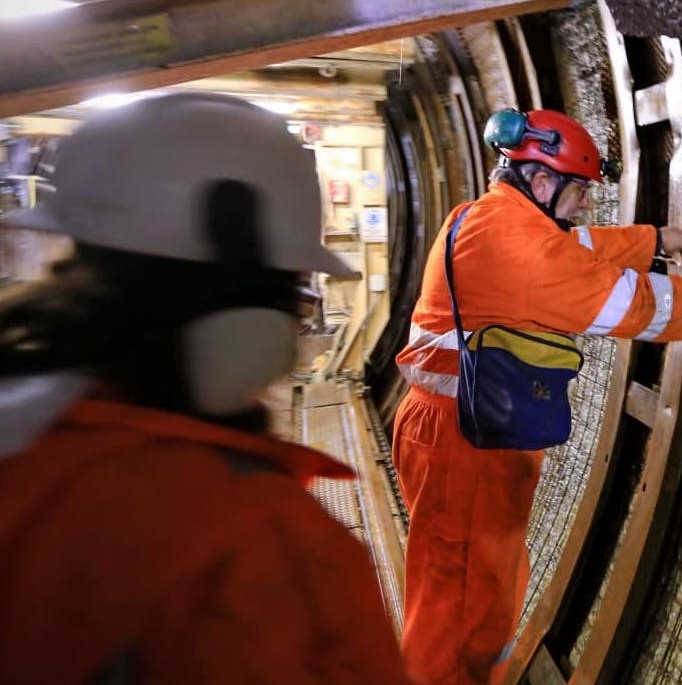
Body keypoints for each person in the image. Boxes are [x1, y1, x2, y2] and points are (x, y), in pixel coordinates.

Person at [0, 93, 409, 684]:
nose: (297, 318)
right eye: (291, 288)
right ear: (240, 313)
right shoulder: (260, 547)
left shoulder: (29, 441)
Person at [392, 107, 682, 684]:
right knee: (455, 617)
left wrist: (651, 239)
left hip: (456, 431)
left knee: (476, 593)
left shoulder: (492, 220)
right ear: (543, 182)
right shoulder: (524, 249)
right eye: (579, 191)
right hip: (463, 449)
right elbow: (632, 305)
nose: (585, 203)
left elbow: (576, 247)